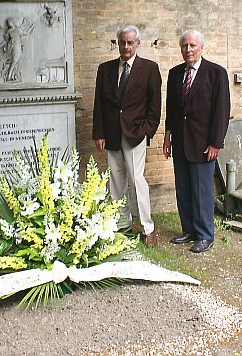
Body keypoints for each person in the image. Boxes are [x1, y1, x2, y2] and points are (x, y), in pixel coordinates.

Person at [93, 25, 162, 245]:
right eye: (122, 42)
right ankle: (120, 223)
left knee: (136, 179)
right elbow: (99, 104)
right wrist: (99, 133)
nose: (125, 46)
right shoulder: (105, 69)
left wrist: (147, 131)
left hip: (135, 133)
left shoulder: (149, 69)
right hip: (111, 134)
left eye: (130, 42)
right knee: (115, 179)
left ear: (137, 44)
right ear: (117, 43)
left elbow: (155, 105)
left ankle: (147, 228)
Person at [163, 30, 230, 253]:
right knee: (183, 188)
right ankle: (189, 230)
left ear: (201, 47)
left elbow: (221, 111)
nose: (188, 50)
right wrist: (167, 136)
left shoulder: (216, 73)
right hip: (180, 142)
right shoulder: (174, 74)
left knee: (202, 190)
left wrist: (216, 143)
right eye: (184, 46)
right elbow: (172, 109)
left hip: (204, 143)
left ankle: (204, 235)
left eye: (192, 45)